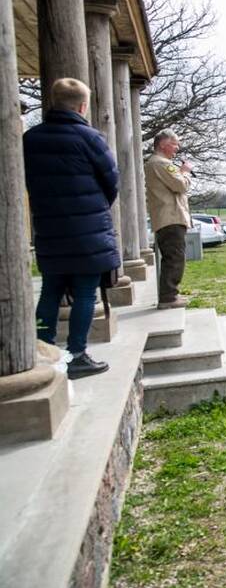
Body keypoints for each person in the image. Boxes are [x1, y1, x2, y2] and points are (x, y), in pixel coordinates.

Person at [23, 78, 119, 379]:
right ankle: (77, 353)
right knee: (85, 293)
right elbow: (111, 181)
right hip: (88, 230)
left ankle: (44, 349)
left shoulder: (30, 139)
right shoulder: (90, 138)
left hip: (49, 227)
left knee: (50, 290)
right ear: (82, 105)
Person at [146, 127, 194, 310]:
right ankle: (168, 297)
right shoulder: (160, 163)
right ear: (164, 144)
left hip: (168, 218)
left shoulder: (157, 163)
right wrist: (185, 172)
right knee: (174, 257)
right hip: (170, 218)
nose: (177, 149)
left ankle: (170, 294)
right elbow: (180, 185)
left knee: (173, 256)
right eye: (175, 145)